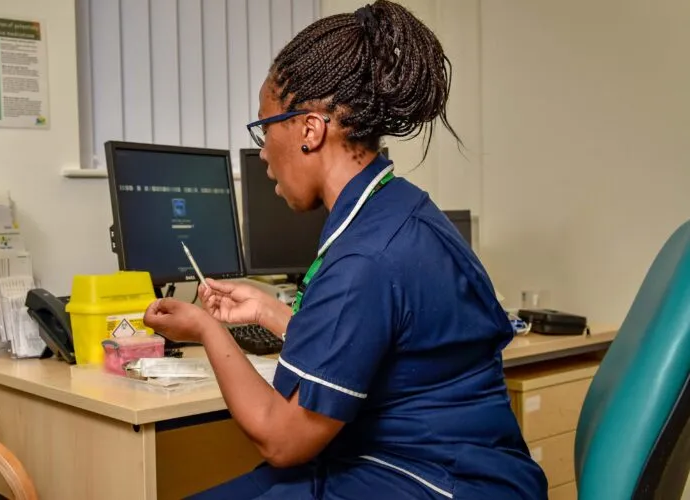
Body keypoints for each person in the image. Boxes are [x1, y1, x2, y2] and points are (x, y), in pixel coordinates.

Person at [142, 2, 548, 499]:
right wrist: (273, 312)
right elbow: (383, 348)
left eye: (264, 128)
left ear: (309, 130)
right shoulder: (399, 209)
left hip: (436, 481)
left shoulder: (365, 258)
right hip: (449, 465)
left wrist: (205, 329)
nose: (263, 152)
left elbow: (281, 437)